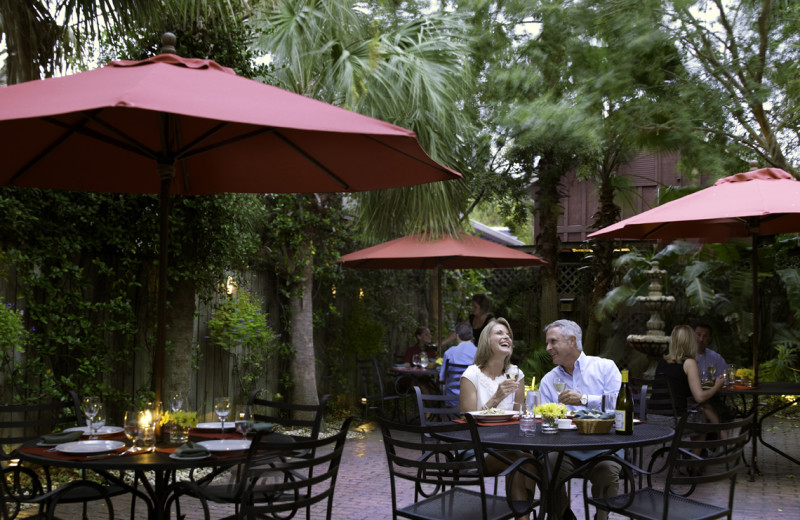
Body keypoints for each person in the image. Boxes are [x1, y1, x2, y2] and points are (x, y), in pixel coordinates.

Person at [539, 319, 622, 520]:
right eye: (547, 343)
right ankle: (565, 515)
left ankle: (601, 518)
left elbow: (619, 407)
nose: (548, 348)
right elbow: (543, 420)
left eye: (553, 342)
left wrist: (584, 399)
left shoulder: (605, 367)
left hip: (604, 447)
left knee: (607, 471)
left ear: (572, 341)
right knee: (545, 463)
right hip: (565, 450)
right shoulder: (549, 380)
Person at [460, 319, 534, 517]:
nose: (506, 337)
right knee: (521, 462)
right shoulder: (471, 375)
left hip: (509, 445)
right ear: (487, 340)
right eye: (500, 333)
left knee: (529, 462)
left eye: (508, 334)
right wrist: (496, 398)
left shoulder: (516, 374)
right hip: (477, 449)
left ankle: (526, 515)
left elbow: (520, 413)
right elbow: (467, 423)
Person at [656, 324, 725, 426]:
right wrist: (717, 386)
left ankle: (717, 438)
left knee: (704, 410)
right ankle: (723, 439)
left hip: (653, 416)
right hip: (675, 419)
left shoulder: (662, 362)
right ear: (690, 342)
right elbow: (700, 397)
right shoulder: (689, 362)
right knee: (704, 417)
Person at [439, 321, 477, 385]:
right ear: (471, 335)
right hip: (472, 393)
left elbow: (441, 378)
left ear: (457, 336)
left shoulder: (449, 352)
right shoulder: (479, 352)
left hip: (451, 393)